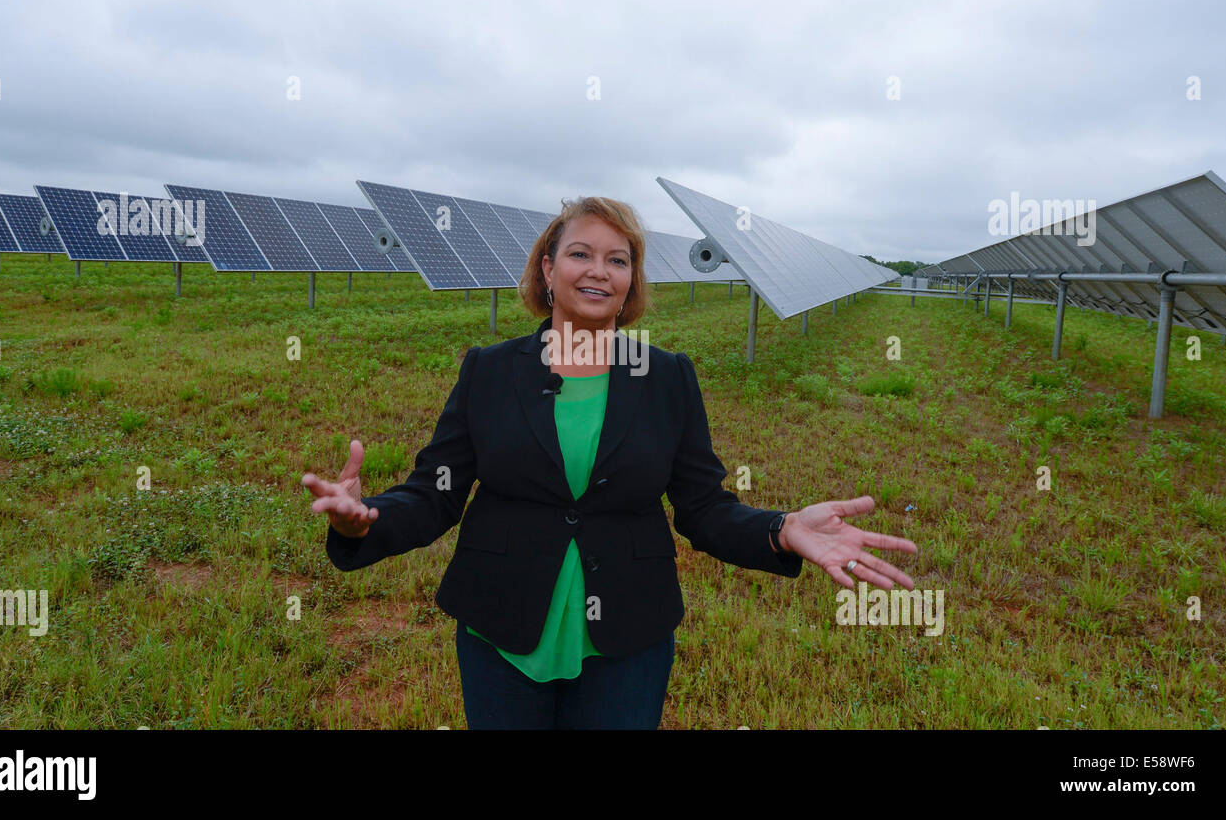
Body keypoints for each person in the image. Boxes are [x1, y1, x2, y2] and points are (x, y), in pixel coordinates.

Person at [302, 196, 918, 729]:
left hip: (628, 635)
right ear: (547, 269)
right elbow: (436, 493)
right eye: (581, 254)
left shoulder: (667, 376)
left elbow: (702, 508)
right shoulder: (489, 370)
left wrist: (780, 529)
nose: (599, 271)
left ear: (631, 282)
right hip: (502, 630)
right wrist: (369, 516)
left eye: (618, 260)